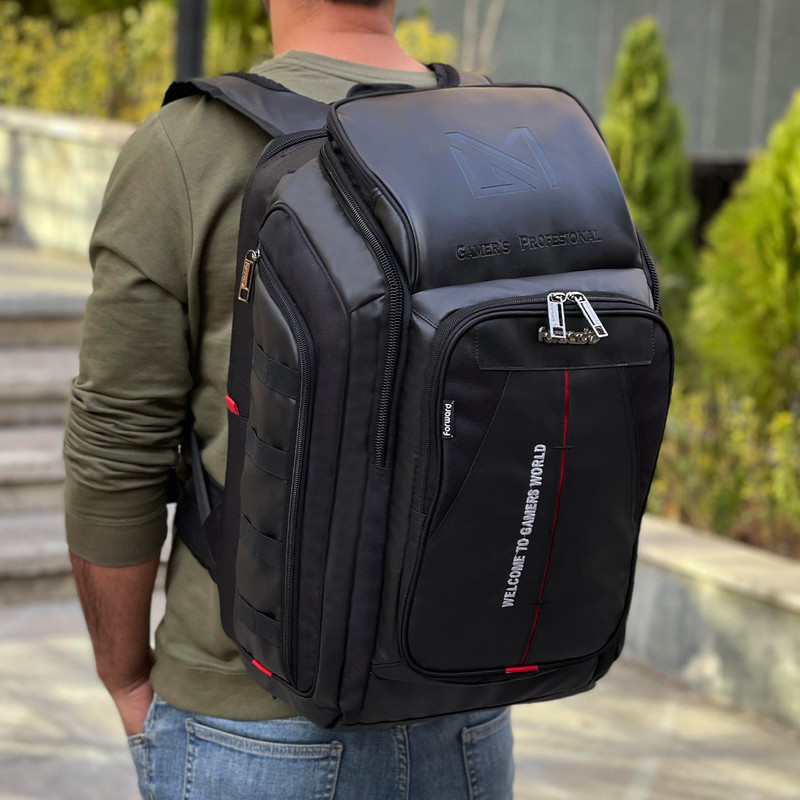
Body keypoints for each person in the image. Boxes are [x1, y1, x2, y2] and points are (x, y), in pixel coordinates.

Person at [63, 1, 515, 797]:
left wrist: (126, 678)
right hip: (467, 713)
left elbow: (116, 449)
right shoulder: (501, 137)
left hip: (251, 721)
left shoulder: (189, 148)